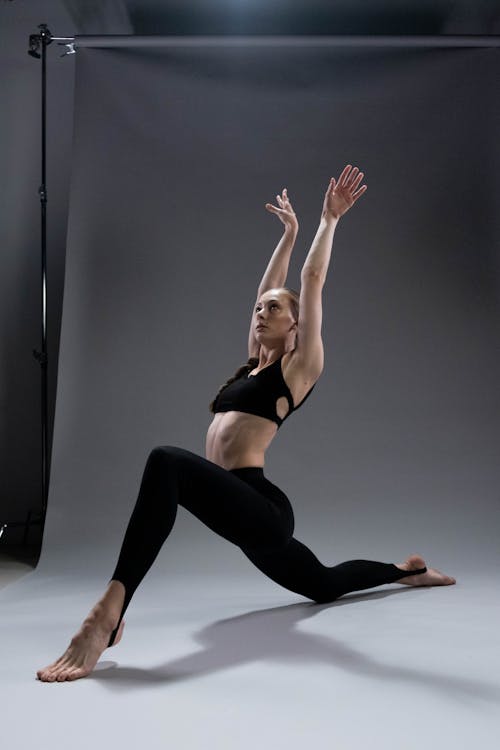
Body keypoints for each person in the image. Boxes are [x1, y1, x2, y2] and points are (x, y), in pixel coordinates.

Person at [36, 165, 455, 682]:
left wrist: (327, 221)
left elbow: (309, 280)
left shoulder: (298, 369)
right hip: (233, 505)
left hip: (261, 508)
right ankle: (405, 571)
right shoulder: (251, 366)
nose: (260, 311)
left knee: (165, 460)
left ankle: (108, 612)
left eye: (273, 309)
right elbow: (271, 285)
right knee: (323, 584)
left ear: (295, 326)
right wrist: (288, 234)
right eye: (258, 308)